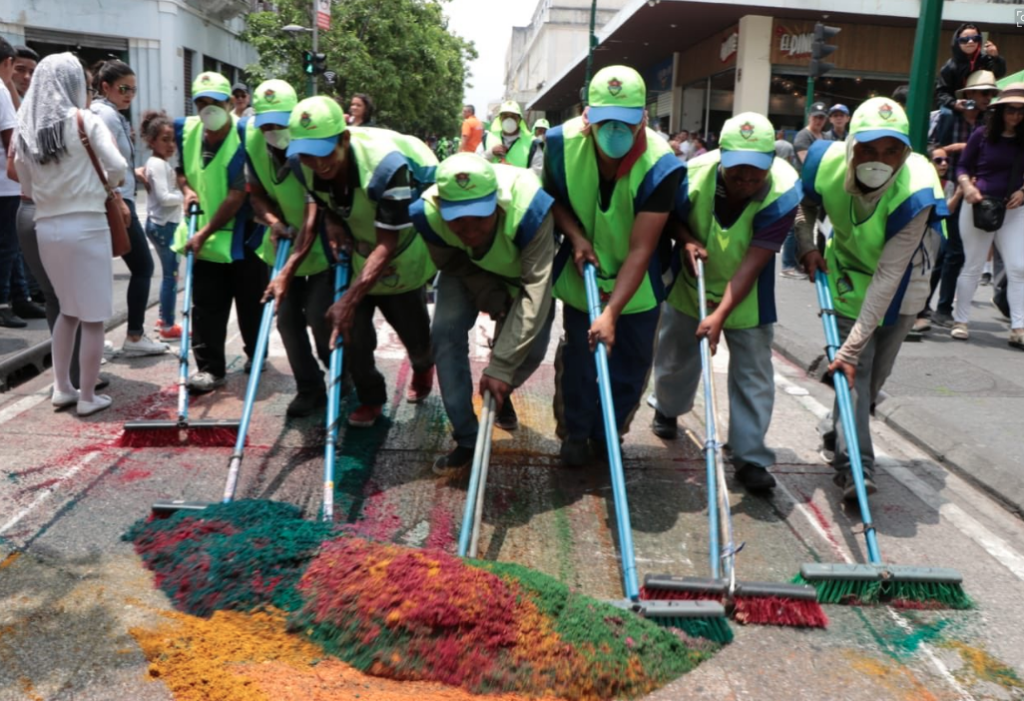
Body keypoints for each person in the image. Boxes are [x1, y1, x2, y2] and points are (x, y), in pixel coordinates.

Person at [796, 98, 947, 501]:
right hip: (846, 272)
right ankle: (857, 469)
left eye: (890, 150)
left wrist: (847, 350)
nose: (879, 160)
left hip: (902, 280)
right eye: (868, 148)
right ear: (851, 145)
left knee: (875, 376)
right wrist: (807, 244)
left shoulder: (916, 188)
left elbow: (889, 276)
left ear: (905, 153)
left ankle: (837, 429)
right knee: (857, 378)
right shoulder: (823, 162)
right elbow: (805, 206)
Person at [650, 112, 801, 492]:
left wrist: (719, 315)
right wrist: (685, 239)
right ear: (722, 159)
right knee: (675, 359)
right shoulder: (691, 175)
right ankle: (667, 409)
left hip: (747, 293)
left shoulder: (784, 189)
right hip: (691, 281)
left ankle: (749, 457)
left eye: (756, 174)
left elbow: (755, 259)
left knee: (753, 373)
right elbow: (668, 219)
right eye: (737, 173)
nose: (746, 182)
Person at [543, 65, 684, 466]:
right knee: (579, 364)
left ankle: (610, 434)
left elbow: (642, 247)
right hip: (581, 273)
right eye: (605, 122)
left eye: (625, 123)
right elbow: (551, 199)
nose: (614, 132)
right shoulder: (559, 145)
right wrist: (576, 236)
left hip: (638, 286)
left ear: (643, 118)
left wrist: (611, 312)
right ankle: (574, 433)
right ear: (587, 117)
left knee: (630, 365)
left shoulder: (662, 165)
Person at [285, 95, 436, 427]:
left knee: (417, 339)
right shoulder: (301, 164)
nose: (318, 162)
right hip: (359, 249)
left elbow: (387, 244)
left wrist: (348, 300)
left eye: (326, 152)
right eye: (308, 153)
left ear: (345, 138)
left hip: (401, 252)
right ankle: (371, 397)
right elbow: (322, 202)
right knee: (351, 331)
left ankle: (424, 365)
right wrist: (334, 222)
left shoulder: (387, 167)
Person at [411, 154, 555, 473]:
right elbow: (450, 261)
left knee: (531, 351)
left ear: (497, 204)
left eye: (480, 217)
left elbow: (537, 289)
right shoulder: (427, 212)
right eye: (458, 219)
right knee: (445, 333)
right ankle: (466, 437)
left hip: (525, 276)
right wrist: (488, 294)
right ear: (440, 203)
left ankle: (499, 395)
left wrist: (502, 366)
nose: (469, 230)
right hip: (467, 271)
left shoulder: (530, 207)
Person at [14, 53, 128, 415]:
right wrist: (102, 186)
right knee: (93, 317)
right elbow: (119, 166)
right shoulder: (84, 120)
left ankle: (62, 387)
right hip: (87, 225)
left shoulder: (26, 127)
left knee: (66, 311)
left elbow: (25, 184)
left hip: (47, 226)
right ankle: (88, 396)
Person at [174, 71, 268, 392]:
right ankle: (210, 369)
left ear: (230, 103)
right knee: (206, 306)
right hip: (205, 237)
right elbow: (182, 173)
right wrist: (187, 192)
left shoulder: (244, 137)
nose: (208, 109)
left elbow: (236, 194)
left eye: (215, 102)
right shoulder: (187, 133)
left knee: (251, 304)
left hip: (243, 236)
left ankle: (257, 355)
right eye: (202, 102)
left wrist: (203, 234)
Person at [248, 80, 334, 418]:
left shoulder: (310, 142)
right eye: (266, 124)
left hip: (321, 245)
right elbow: (256, 194)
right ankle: (309, 388)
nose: (273, 131)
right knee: (285, 320)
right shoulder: (254, 144)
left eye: (280, 123)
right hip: (284, 244)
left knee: (319, 315)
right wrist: (272, 221)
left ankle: (341, 373)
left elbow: (315, 212)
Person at [90, 59, 169, 356]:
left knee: (99, 271)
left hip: (116, 199)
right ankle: (134, 337)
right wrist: (121, 193)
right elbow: (103, 162)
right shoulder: (105, 116)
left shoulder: (110, 114)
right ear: (105, 86)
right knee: (143, 266)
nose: (129, 95)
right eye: (124, 89)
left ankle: (96, 339)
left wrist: (132, 173)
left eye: (134, 90)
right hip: (116, 203)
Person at [950, 84, 1024, 348]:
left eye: (1022, 110)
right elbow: (962, 165)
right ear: (1001, 110)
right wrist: (967, 187)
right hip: (979, 205)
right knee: (973, 264)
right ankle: (961, 320)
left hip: (1013, 209)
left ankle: (1019, 327)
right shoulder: (981, 135)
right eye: (1011, 110)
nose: (1016, 115)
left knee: (1018, 267)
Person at [930, 70, 999, 328]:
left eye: (991, 94)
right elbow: (931, 150)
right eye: (983, 93)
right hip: (945, 187)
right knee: (940, 250)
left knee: (956, 253)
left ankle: (943, 308)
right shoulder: (947, 117)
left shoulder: (991, 120)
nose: (987, 98)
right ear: (968, 94)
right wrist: (958, 149)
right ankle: (924, 308)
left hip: (972, 192)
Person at [0, 38, 45, 329]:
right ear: (6, 64)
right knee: (7, 247)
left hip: (7, 184)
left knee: (13, 246)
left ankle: (20, 297)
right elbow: (12, 141)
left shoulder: (6, 92)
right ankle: (5, 302)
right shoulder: (0, 91)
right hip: (7, 184)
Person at [140, 110, 184, 341]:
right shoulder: (157, 164)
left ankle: (163, 317)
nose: (171, 145)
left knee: (170, 276)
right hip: (165, 226)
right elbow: (165, 197)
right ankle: (167, 325)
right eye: (164, 140)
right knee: (171, 277)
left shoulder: (159, 163)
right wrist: (186, 195)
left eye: (173, 140)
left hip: (163, 225)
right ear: (151, 141)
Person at [912, 144, 961, 334]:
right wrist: (958, 194)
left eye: (946, 160)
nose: (943, 164)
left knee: (934, 270)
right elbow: (944, 209)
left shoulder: (948, 184)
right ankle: (916, 313)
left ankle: (922, 309)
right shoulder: (923, 182)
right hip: (923, 234)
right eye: (938, 160)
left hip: (939, 235)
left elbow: (947, 211)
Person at [782, 102, 833, 279]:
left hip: (820, 188)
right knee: (797, 226)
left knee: (815, 228)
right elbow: (809, 163)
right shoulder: (803, 136)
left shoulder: (825, 136)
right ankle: (788, 265)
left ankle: (805, 262)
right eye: (816, 117)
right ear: (809, 117)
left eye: (822, 117)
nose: (819, 120)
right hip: (803, 187)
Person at [935, 24, 1005, 111]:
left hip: (980, 105)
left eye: (975, 38)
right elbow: (941, 92)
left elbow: (999, 72)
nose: (971, 42)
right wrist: (954, 103)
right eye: (964, 39)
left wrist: (996, 58)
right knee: (947, 115)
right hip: (954, 105)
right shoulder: (949, 66)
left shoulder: (984, 60)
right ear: (957, 42)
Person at [479, 100, 540, 171]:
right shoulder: (487, 138)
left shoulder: (532, 142)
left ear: (520, 119)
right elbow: (476, 164)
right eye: (505, 116)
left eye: (513, 116)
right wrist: (490, 153)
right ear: (500, 119)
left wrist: (513, 171)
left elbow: (538, 171)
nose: (509, 119)